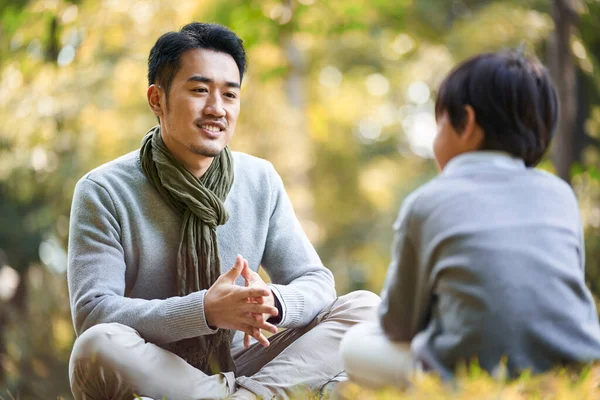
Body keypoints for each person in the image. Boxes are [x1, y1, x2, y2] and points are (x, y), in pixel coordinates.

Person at [67, 22, 379, 400]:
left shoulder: (259, 179)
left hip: (247, 366)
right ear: (157, 99)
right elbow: (94, 313)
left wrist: (273, 302)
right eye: (199, 90)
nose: (217, 109)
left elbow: (316, 281)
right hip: (159, 370)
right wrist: (203, 311)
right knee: (97, 345)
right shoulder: (104, 191)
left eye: (229, 95)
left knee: (366, 309)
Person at [340, 50, 600, 388]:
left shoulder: (426, 202)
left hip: (468, 372)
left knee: (354, 343)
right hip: (570, 365)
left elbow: (398, 325)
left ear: (468, 123)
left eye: (440, 124)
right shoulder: (560, 194)